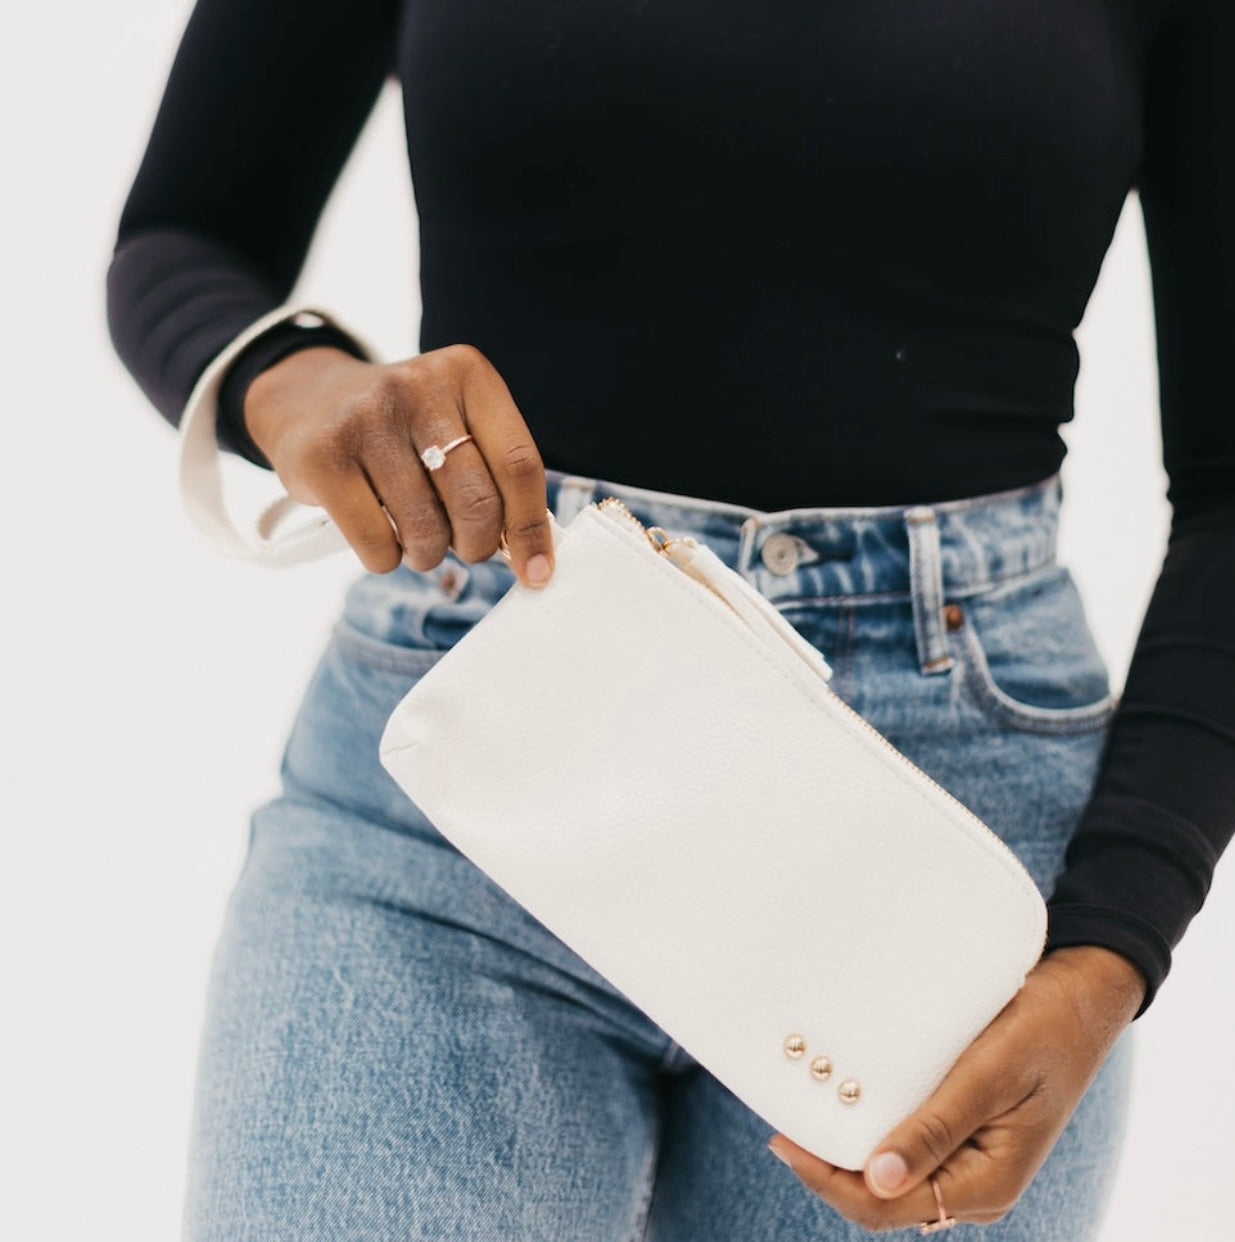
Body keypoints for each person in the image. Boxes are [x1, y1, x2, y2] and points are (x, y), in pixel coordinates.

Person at [105, 1, 1234, 1237]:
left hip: (942, 853)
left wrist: (1107, 950)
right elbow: (183, 234)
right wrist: (300, 382)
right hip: (452, 798)